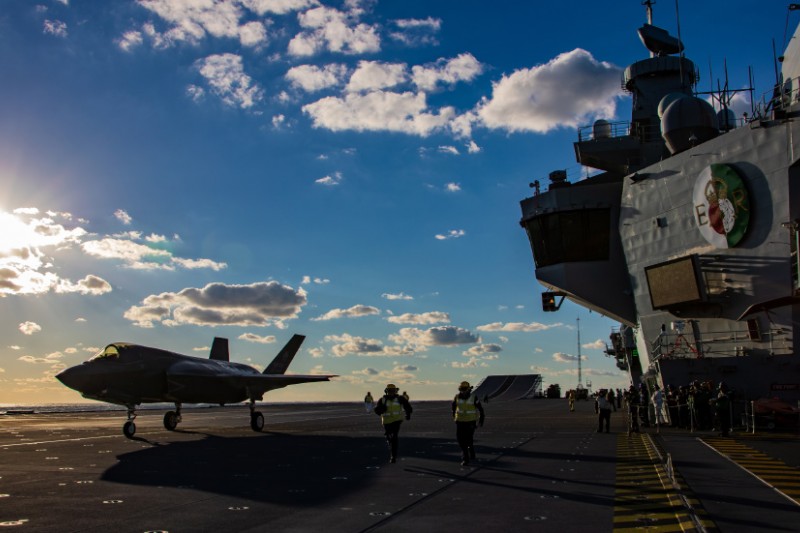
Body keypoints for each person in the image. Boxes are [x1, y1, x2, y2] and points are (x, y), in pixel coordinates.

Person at [373, 383, 412, 463]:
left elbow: (407, 406)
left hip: (397, 421)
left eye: (393, 390)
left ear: (395, 391)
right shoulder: (382, 400)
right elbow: (377, 410)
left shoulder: (400, 398)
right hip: (386, 422)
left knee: (394, 437)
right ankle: (389, 440)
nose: (391, 392)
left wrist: (408, 414)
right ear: (387, 391)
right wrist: (380, 409)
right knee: (389, 437)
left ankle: (393, 456)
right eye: (390, 390)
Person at [452, 381, 485, 465]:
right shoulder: (456, 397)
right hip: (460, 421)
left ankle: (467, 455)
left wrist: (481, 418)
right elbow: (453, 407)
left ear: (468, 390)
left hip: (470, 421)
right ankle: (466, 455)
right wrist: (454, 417)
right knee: (460, 439)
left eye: (464, 389)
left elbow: (480, 408)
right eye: (461, 389)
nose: (462, 391)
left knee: (468, 439)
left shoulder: (474, 397)